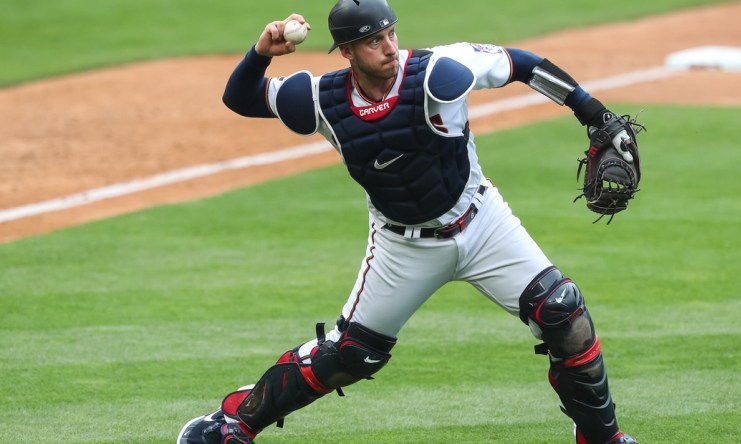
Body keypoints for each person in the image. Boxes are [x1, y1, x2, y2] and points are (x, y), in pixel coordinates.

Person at [178, 1, 638, 443]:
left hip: (482, 222)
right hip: (402, 246)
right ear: (348, 52)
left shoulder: (442, 71)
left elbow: (521, 63)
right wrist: (262, 52)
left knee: (563, 312)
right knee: (351, 355)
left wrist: (593, 113)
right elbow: (239, 98)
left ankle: (604, 438)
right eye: (374, 40)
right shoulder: (319, 100)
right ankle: (233, 422)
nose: (390, 47)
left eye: (391, 33)